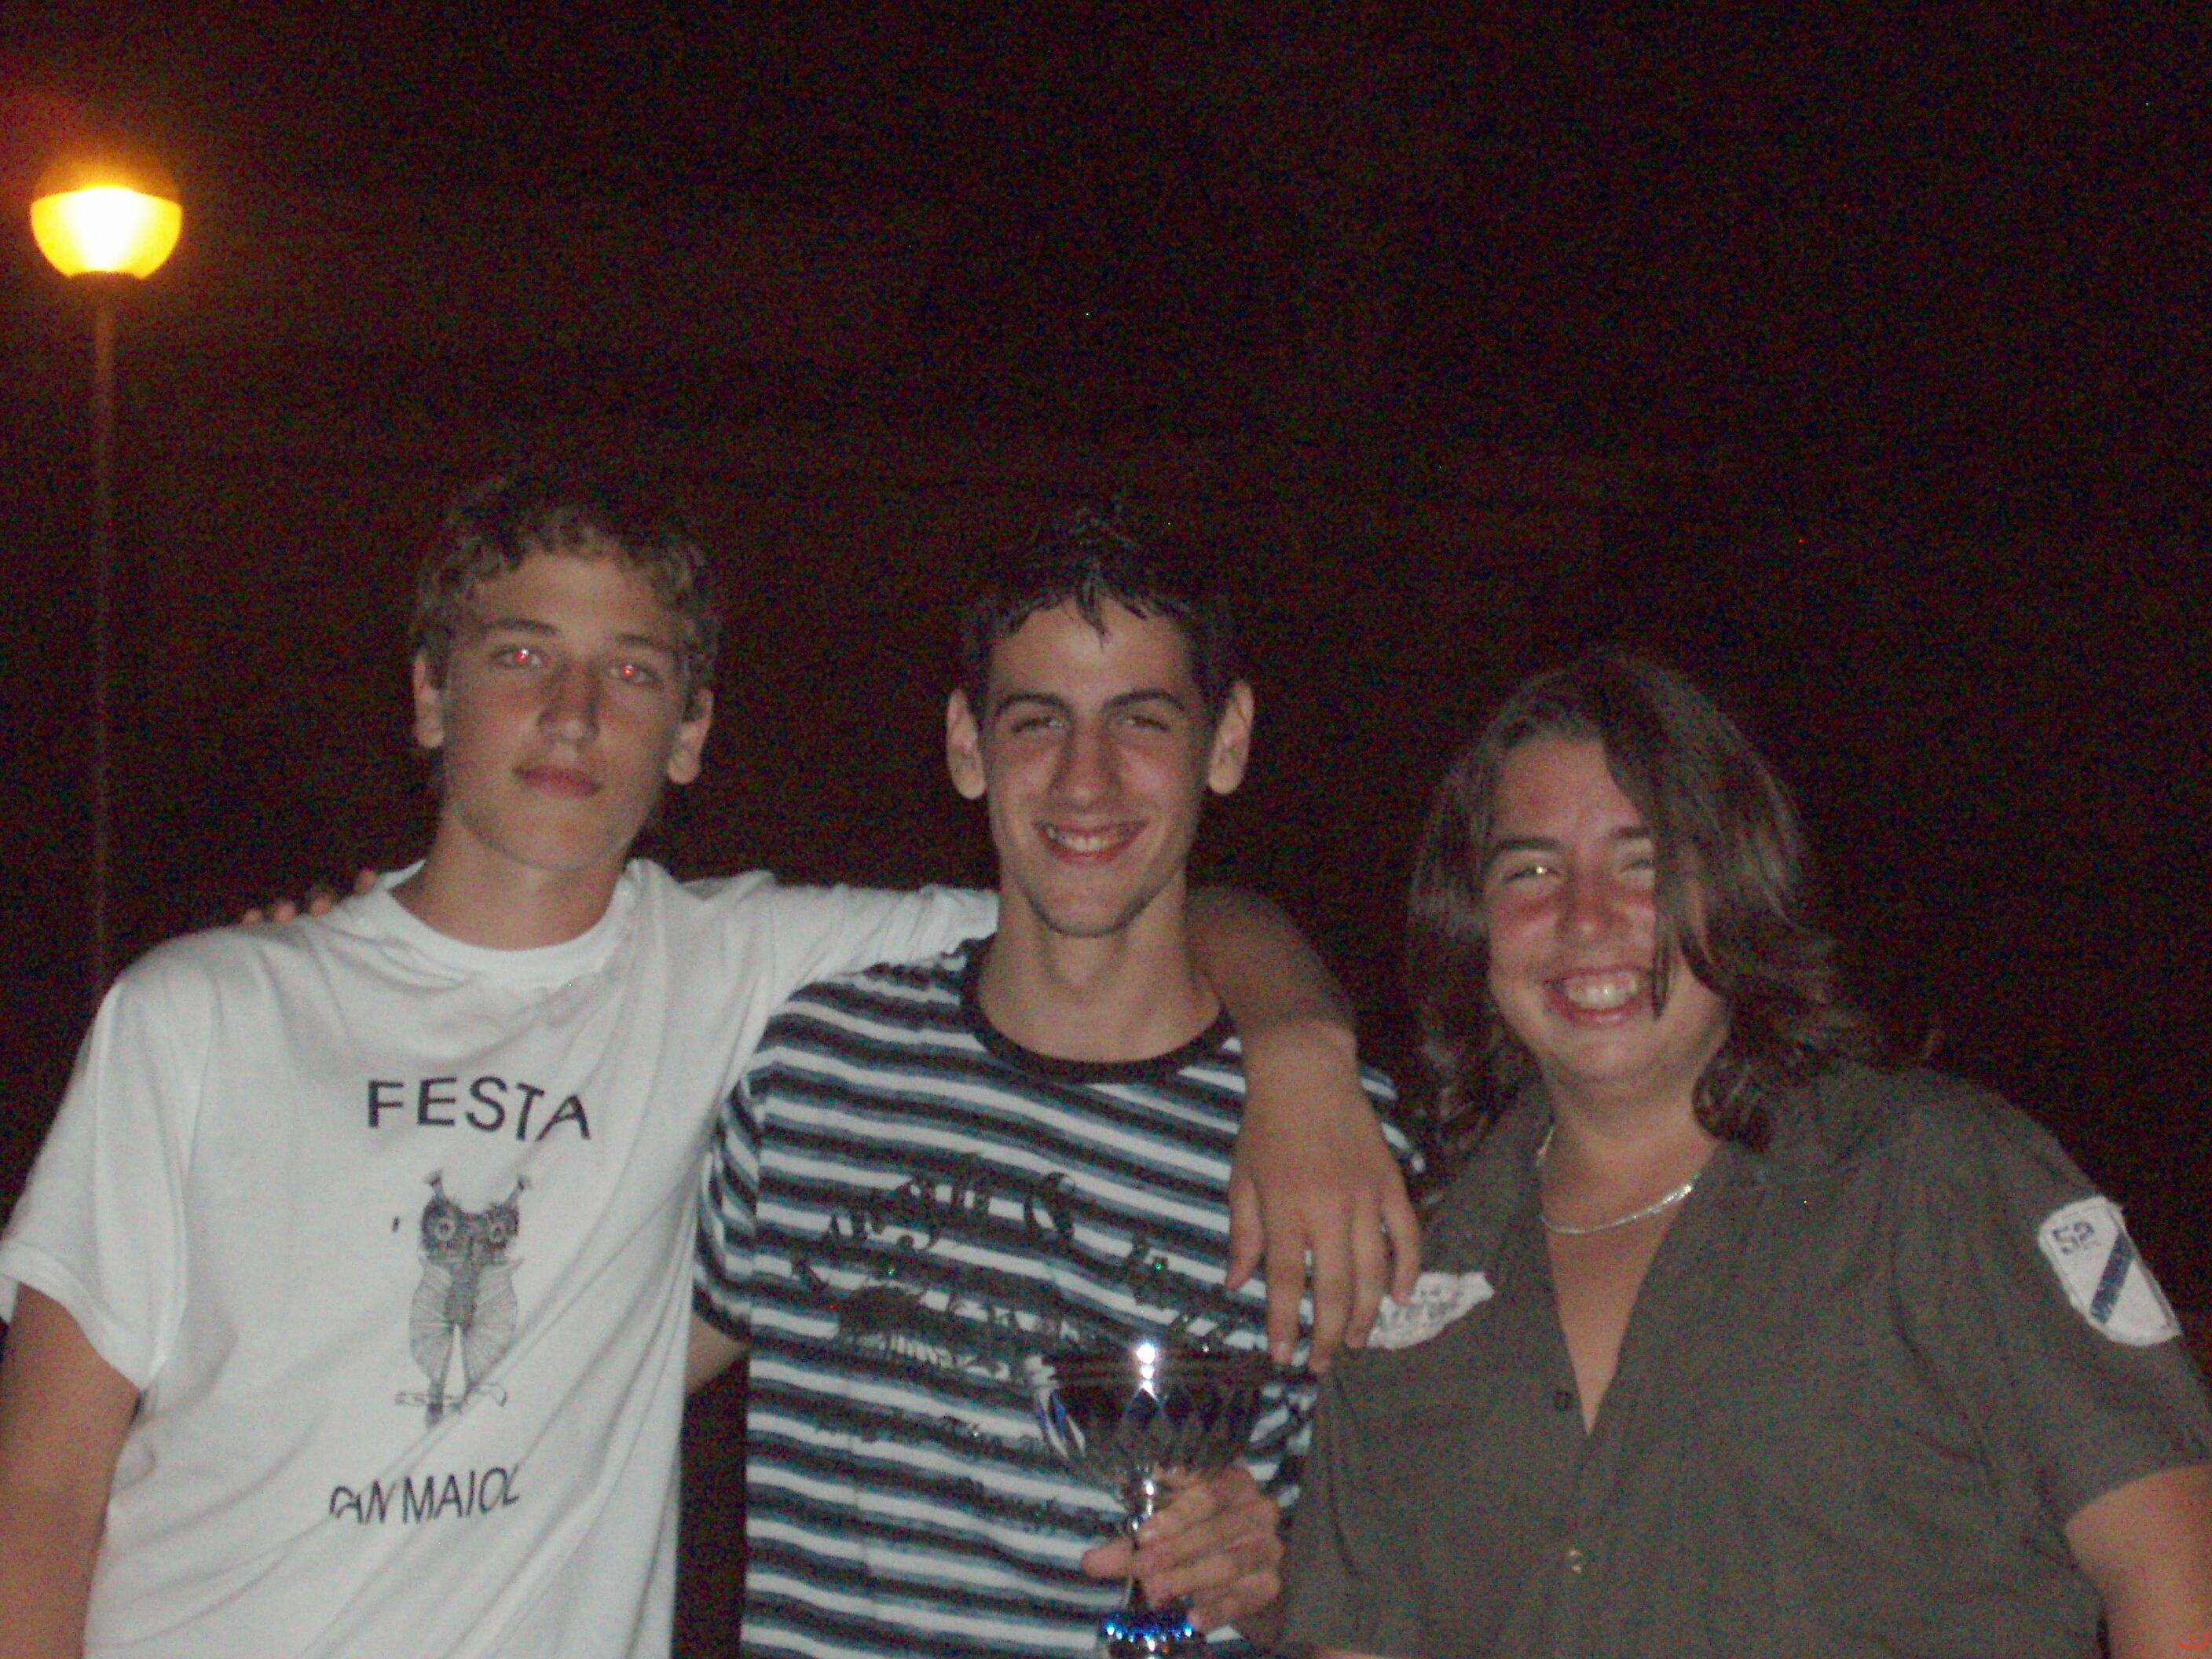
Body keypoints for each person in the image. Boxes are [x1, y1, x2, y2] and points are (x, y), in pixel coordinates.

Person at [0, 473, 1408, 1659]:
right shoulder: (204, 1012)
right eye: (520, 656)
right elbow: (42, 1482)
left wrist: (1298, 1049)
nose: (571, 714)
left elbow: (1116, 901)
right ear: (429, 694)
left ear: (690, 732)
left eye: (631, 672)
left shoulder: (746, 972)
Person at [1282, 651, 2212, 1659]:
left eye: (1643, 863)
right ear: (1472, 922)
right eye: (1531, 871)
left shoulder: (1934, 1180)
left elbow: (2175, 1568)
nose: (1585, 917)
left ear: (1734, 888)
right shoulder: (1403, 1285)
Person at [688, 506, 1413, 1659]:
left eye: (1141, 720)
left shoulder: (1343, 1149)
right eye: (1037, 721)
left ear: (1226, 742)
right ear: (966, 745)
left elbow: (1390, 1601)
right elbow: (596, 1381)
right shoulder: (816, 1075)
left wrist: (1264, 1583)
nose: (1086, 777)